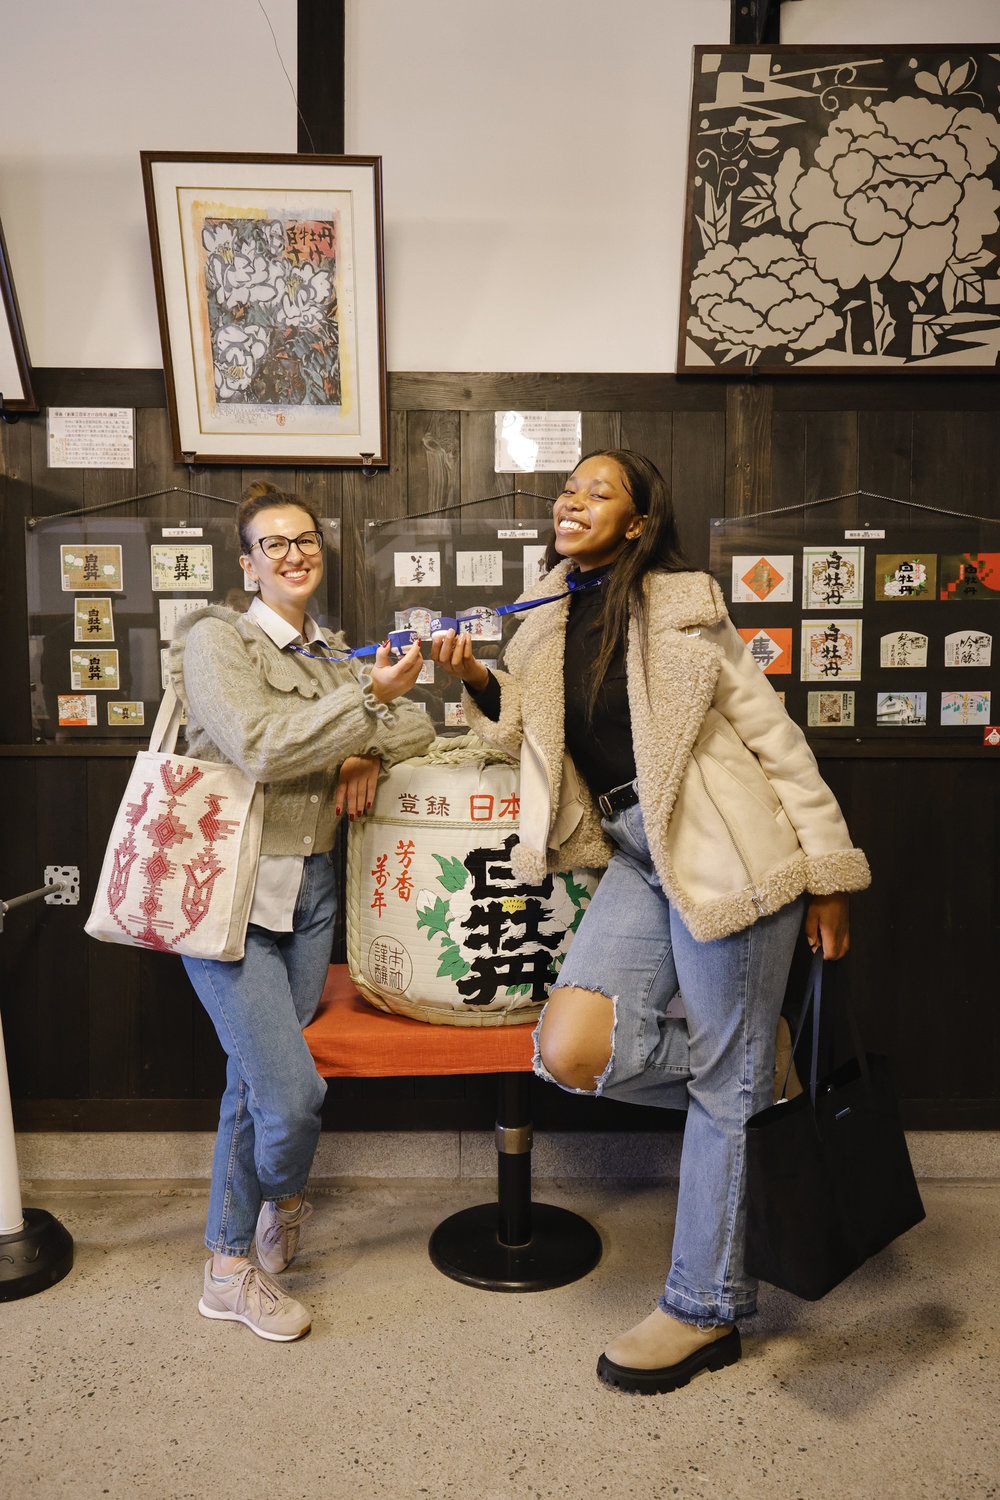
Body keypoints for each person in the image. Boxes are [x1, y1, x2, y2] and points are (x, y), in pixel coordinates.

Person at [432, 450, 870, 1394]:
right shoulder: (542, 618)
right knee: (572, 1048)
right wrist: (474, 679)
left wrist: (829, 872)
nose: (572, 500)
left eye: (599, 491)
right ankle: (757, 1074)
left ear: (638, 522)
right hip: (632, 849)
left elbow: (776, 740)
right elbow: (525, 735)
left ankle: (703, 1309)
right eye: (568, 488)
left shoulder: (682, 608)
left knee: (723, 1083)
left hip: (731, 857)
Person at [170, 483, 433, 1342]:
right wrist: (360, 719)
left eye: (305, 541)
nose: (293, 555)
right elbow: (257, 743)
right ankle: (270, 1213)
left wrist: (361, 741)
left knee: (251, 1084)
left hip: (311, 896)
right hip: (228, 895)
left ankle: (229, 1261)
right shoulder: (217, 639)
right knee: (292, 1095)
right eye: (272, 544)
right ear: (246, 563)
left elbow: (418, 732)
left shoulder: (329, 653)